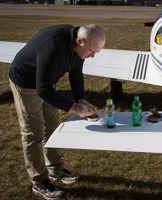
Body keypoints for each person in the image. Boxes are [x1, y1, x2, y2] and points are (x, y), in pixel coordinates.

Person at [9, 24, 105, 199]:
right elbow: (43, 90)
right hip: (26, 82)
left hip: (46, 83)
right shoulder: (52, 46)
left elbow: (76, 75)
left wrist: (80, 98)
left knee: (53, 126)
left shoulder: (80, 47)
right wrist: (74, 107)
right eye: (92, 51)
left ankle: (56, 169)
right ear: (79, 41)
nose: (92, 56)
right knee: (33, 132)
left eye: (96, 52)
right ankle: (39, 181)